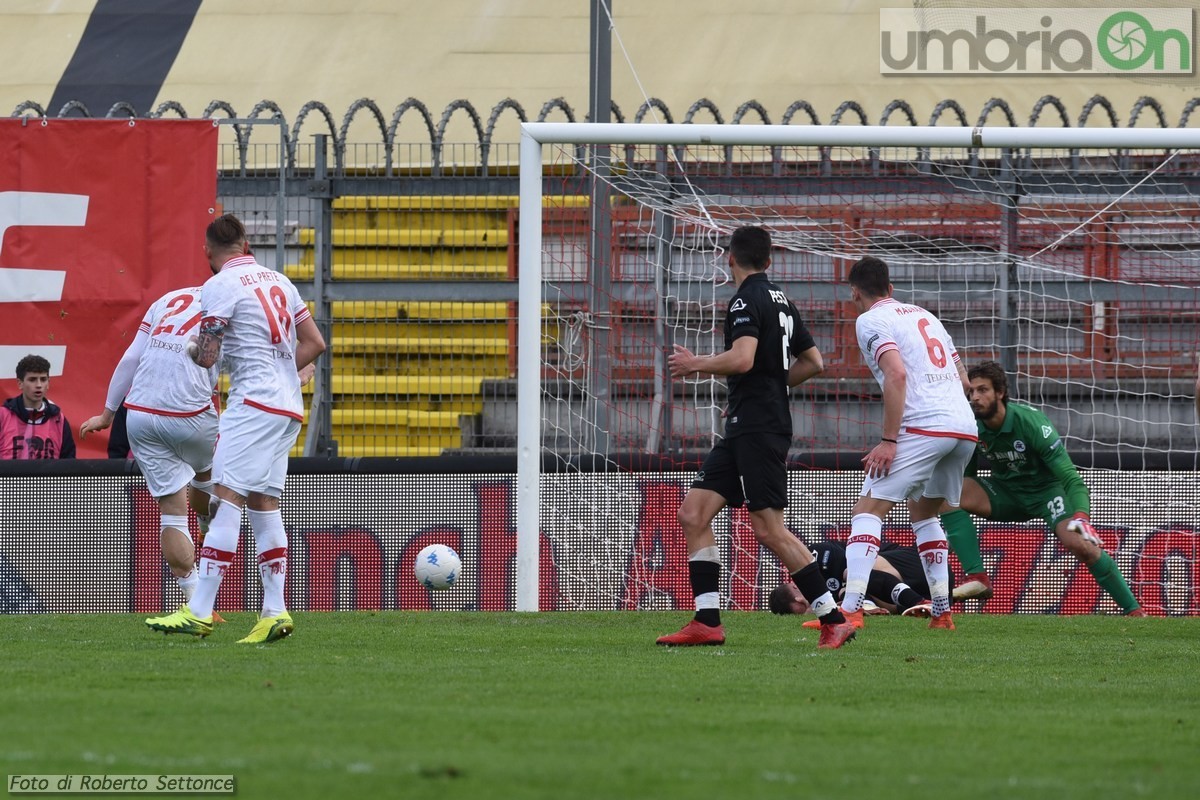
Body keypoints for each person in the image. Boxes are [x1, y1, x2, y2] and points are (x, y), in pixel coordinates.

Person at [655, 225, 857, 650]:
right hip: (747, 424)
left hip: (759, 427)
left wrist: (695, 365)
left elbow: (743, 358)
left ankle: (832, 617)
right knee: (693, 513)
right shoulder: (781, 299)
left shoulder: (745, 299)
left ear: (730, 258)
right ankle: (707, 621)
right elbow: (815, 362)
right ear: (769, 261)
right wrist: (772, 386)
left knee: (768, 529)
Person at [146, 214, 325, 644]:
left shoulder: (219, 285)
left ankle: (200, 611)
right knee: (265, 502)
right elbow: (315, 344)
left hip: (254, 406)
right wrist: (287, 374)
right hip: (287, 407)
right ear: (245, 245)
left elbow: (208, 355)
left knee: (226, 497)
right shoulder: (281, 281)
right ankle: (275, 612)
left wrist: (192, 348)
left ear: (208, 251)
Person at [940, 361, 1146, 616]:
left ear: (1001, 392)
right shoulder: (971, 426)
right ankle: (979, 577)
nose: (975, 398)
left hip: (1048, 494)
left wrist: (1082, 514)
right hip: (1006, 494)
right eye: (971, 392)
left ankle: (1135, 611)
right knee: (947, 494)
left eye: (982, 390)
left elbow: (1070, 477)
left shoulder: (1031, 423)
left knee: (1081, 546)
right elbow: (967, 476)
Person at [842, 255, 977, 632]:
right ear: (891, 288)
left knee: (866, 511)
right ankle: (941, 611)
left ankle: (850, 611)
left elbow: (896, 374)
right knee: (925, 514)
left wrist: (889, 440)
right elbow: (964, 382)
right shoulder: (925, 316)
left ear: (855, 292)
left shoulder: (870, 319)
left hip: (925, 426)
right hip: (963, 427)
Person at [79, 285, 221, 613]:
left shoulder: (166, 300)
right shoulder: (230, 303)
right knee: (205, 473)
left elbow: (131, 357)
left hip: (140, 415)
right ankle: (204, 525)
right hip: (190, 413)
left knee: (172, 511)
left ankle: (198, 607)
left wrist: (107, 414)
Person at [768, 540, 941, 618]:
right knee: (848, 592)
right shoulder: (828, 603)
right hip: (925, 589)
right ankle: (921, 604)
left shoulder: (813, 555)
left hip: (916, 566)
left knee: (853, 575)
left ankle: (916, 601)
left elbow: (850, 567)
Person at [0, 354, 76, 459]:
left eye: (43, 379)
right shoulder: (2, 417)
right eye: (32, 379)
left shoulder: (59, 420)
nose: (39, 385)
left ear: (48, 383)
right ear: (20, 383)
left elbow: (69, 464)